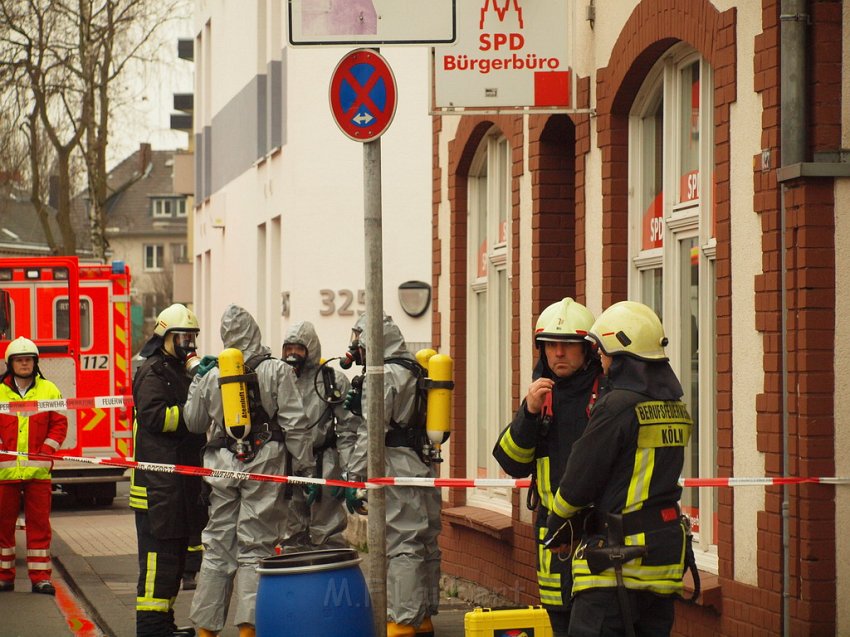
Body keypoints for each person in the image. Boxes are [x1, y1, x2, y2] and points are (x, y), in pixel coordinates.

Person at [544, 301, 694, 637]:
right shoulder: (676, 408)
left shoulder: (616, 406)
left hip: (614, 566)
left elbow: (579, 480)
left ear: (621, 352)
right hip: (663, 561)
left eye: (604, 350)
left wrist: (558, 524)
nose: (600, 357)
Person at [184, 304, 311, 637]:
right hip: (265, 465)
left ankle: (206, 631)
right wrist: (304, 471)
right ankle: (248, 629)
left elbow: (195, 422)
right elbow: (296, 425)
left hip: (222, 466)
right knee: (257, 546)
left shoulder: (214, 374)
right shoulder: (276, 370)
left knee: (217, 546)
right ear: (255, 332)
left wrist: (199, 380)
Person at [492, 298, 602, 636]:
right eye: (551, 345)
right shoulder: (540, 397)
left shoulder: (605, 394)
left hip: (596, 532)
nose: (558, 353)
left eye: (568, 346)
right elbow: (512, 462)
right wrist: (529, 413)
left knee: (595, 622)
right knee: (560, 620)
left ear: (587, 350)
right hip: (552, 535)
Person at [342, 313, 441, 637]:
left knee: (402, 545)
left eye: (359, 338)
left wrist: (353, 478)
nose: (355, 346)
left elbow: (371, 432)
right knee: (423, 541)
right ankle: (422, 616)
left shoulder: (381, 377)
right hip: (421, 465)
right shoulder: (414, 368)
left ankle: (401, 622)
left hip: (394, 467)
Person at [131, 304, 211, 637]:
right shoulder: (152, 371)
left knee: (174, 562)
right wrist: (195, 417)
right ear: (165, 336)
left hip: (177, 483)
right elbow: (155, 417)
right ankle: (150, 629)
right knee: (157, 562)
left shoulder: (179, 369)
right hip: (157, 486)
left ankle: (165, 624)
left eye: (192, 337)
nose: (189, 344)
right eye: (182, 337)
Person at [279, 321, 363, 552]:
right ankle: (295, 582)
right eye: (289, 348)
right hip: (287, 463)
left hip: (324, 464)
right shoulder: (279, 377)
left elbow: (348, 429)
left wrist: (347, 472)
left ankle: (329, 579)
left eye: (299, 349)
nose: (293, 354)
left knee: (327, 529)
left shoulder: (330, 381)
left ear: (311, 350)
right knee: (291, 530)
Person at [0, 337, 68, 595]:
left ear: (35, 362)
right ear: (11, 364)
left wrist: (47, 451)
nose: (24, 363)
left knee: (39, 527)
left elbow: (59, 424)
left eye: (28, 359)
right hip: (4, 472)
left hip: (38, 472)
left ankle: (40, 577)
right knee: (2, 526)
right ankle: (4, 576)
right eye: (19, 360)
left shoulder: (49, 390)